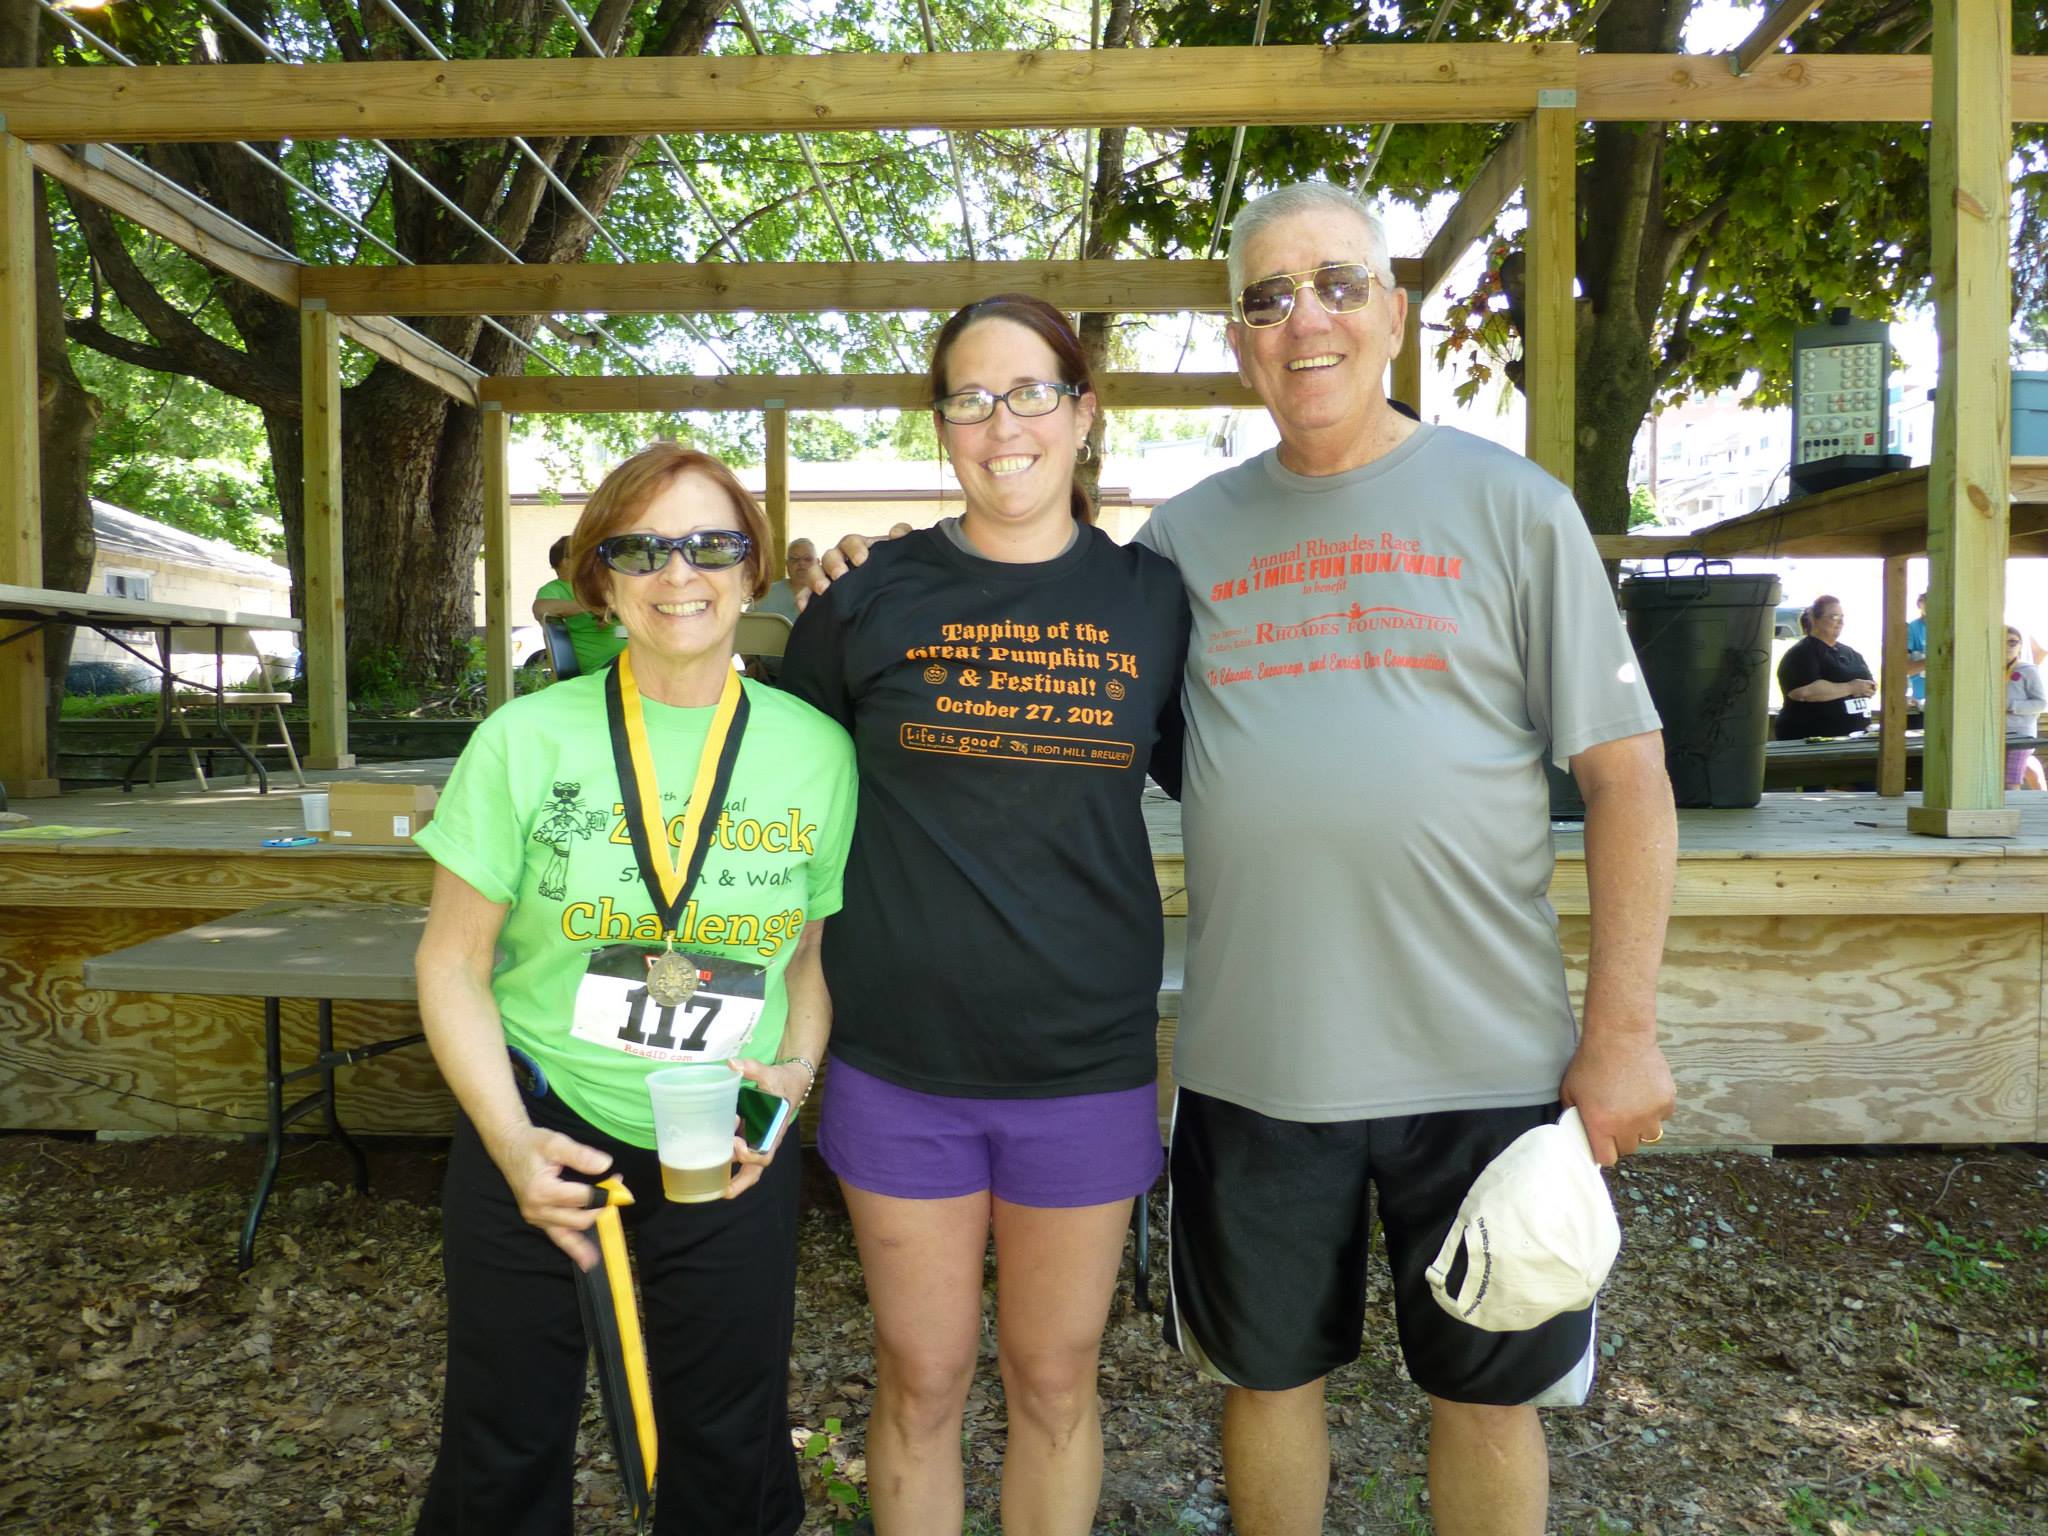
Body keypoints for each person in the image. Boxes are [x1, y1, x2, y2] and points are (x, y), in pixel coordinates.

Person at [814, 187, 1677, 1536]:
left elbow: (1629, 777)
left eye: (1338, 284)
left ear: (1393, 313)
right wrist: (861, 575)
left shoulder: (1514, 507)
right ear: (1238, 340)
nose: (1303, 319)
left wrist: (1621, 1032)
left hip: (1486, 1054)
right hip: (1258, 1064)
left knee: (1487, 1393)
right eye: (1267, 298)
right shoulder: (1180, 549)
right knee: (1265, 1378)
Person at [777, 294, 1190, 1536]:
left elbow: (1235, 779)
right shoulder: (866, 596)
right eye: (968, 398)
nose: (1001, 424)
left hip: (1083, 1059)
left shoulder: (1153, 602)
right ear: (941, 426)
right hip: (899, 1060)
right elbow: (782, 806)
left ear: (1083, 412)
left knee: (1054, 1378)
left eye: (1029, 393)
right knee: (920, 1375)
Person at [412, 443, 857, 1536]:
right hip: (545, 1123)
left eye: (711, 544)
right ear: (600, 584)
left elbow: (807, 961)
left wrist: (787, 1091)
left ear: (752, 572)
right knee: (504, 1440)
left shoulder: (818, 752)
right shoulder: (521, 739)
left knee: (730, 1441)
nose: (679, 572)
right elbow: (451, 963)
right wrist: (512, 1143)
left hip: (728, 1134)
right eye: (641, 549)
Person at [1774, 594, 1876, 740]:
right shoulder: (1801, 653)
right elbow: (1804, 693)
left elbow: (1868, 684)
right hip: (1812, 738)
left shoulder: (1851, 653)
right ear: (1815, 620)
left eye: (1842, 617)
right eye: (1834, 617)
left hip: (1855, 736)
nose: (1840, 622)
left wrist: (1868, 688)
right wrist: (1851, 688)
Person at [532, 532, 629, 675]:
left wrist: (613, 611)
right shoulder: (554, 589)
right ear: (565, 562)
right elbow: (540, 609)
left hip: (628, 657)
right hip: (604, 665)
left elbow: (625, 624)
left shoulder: (598, 584)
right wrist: (591, 607)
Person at [2005, 624, 2046, 791]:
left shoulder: (2028, 670)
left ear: (2020, 645)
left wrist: (2012, 706)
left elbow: (2041, 703)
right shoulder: (1988, 670)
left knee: (2010, 783)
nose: (2007, 646)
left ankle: (2013, 809)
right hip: (1995, 734)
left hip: (2020, 735)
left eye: (2012, 642)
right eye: (2001, 641)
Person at [753, 537, 818, 624]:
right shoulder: (765, 595)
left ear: (818, 563)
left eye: (807, 559)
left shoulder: (828, 595)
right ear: (787, 564)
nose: (801, 563)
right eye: (795, 559)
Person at [1905, 591, 1928, 716]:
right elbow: (1905, 669)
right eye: (1925, 600)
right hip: (1916, 702)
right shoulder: (1912, 628)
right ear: (1919, 604)